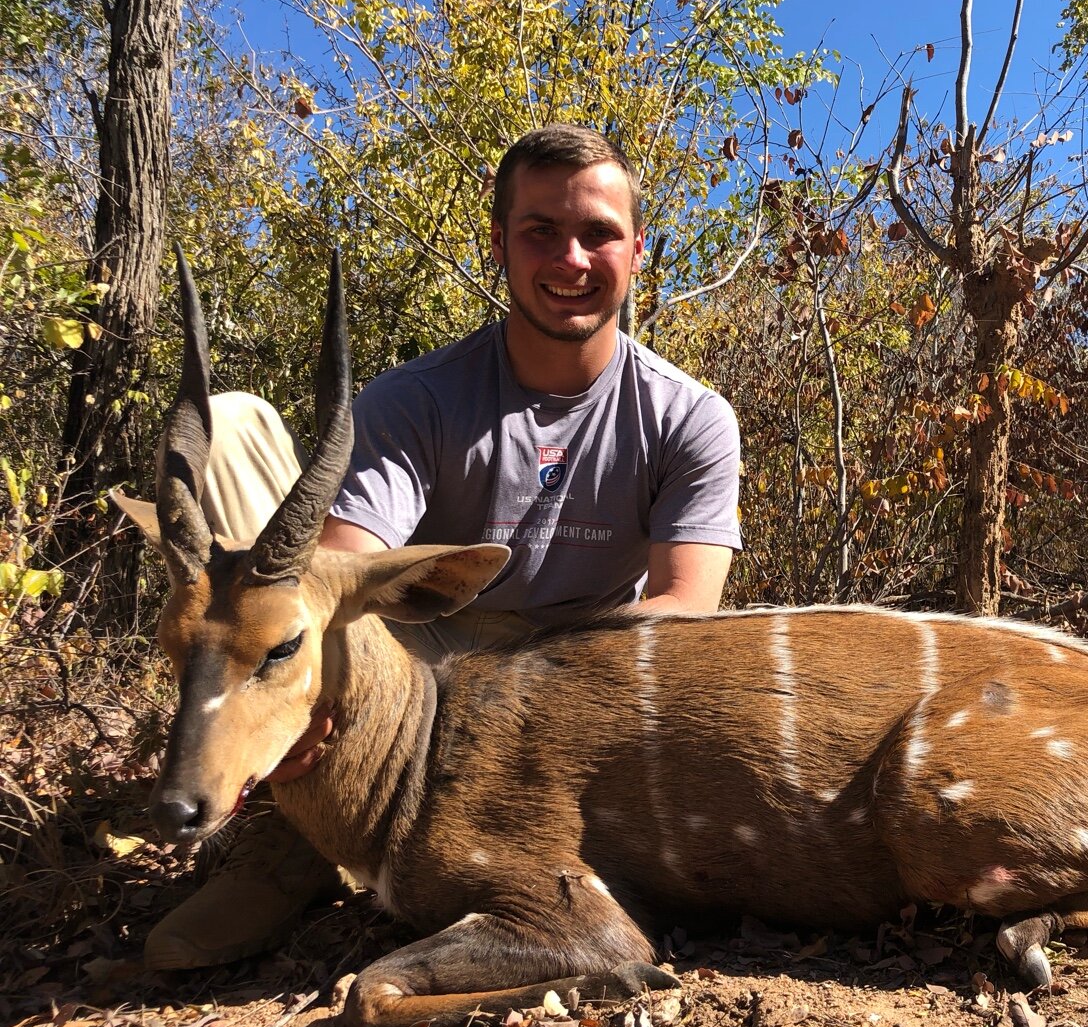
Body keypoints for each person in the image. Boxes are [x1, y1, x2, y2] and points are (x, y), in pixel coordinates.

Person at [143, 124, 742, 969]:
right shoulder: (417, 399)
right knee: (235, 432)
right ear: (499, 244)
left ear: (638, 251)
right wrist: (306, 696)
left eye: (599, 233)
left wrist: (544, 696)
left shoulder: (690, 417)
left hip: (581, 672)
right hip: (425, 652)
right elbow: (335, 571)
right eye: (541, 231)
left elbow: (684, 614)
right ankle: (290, 845)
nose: (571, 259)